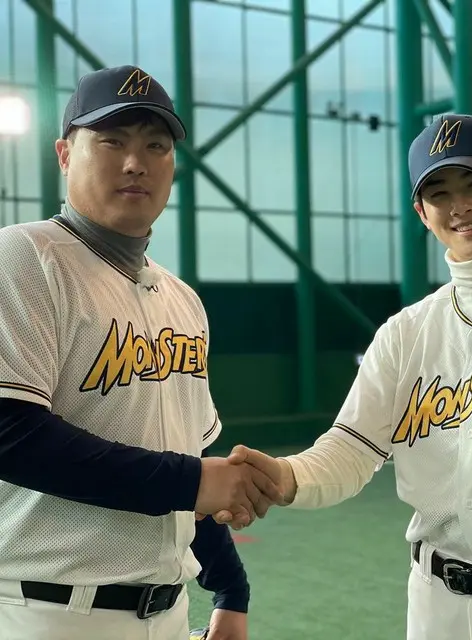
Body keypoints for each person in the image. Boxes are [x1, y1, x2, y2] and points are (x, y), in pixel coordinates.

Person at [217, 114, 472, 639]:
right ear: (422, 212)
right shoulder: (406, 332)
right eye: (439, 192)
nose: (459, 204)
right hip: (433, 604)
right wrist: (285, 477)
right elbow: (351, 450)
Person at [0, 65, 283, 640]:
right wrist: (191, 480)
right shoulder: (22, 257)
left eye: (156, 146)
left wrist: (230, 590)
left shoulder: (183, 299)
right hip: (45, 609)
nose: (136, 163)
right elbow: (10, 434)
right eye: (112, 141)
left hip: (167, 612)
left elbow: (190, 458)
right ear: (64, 154)